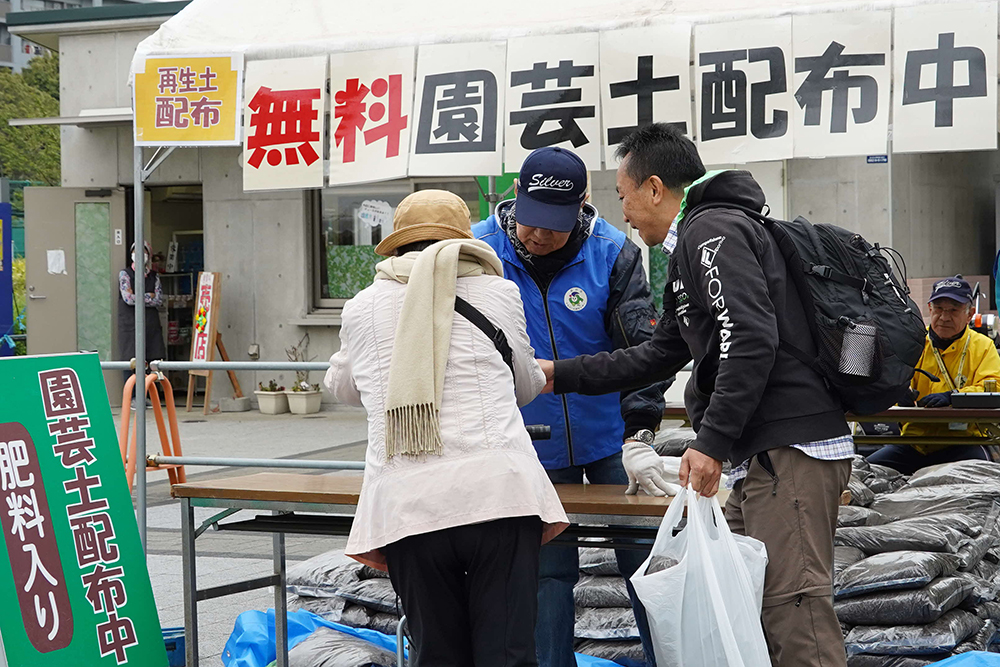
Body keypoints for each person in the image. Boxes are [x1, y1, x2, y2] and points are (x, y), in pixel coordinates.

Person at [538, 123, 853, 667]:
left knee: (791, 611)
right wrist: (556, 374)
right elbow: (660, 351)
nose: (625, 213)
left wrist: (709, 442)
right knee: (737, 601)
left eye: (624, 196)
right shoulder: (692, 245)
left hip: (790, 446)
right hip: (759, 453)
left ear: (655, 188)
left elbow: (749, 339)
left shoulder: (713, 234)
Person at [324, 189, 568, 667]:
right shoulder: (499, 292)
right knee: (507, 652)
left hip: (409, 505)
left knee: (436, 652)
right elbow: (524, 384)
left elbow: (344, 388)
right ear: (464, 243)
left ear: (396, 245)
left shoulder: (361, 306)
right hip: (499, 497)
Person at [473, 146, 668, 667]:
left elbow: (642, 352)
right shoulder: (478, 252)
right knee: (546, 574)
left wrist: (640, 434)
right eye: (532, 221)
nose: (539, 236)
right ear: (516, 196)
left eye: (554, 227)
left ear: (582, 205)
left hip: (609, 440)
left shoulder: (613, 253)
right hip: (526, 445)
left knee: (645, 565)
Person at [867, 275, 1000, 474]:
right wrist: (896, 392)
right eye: (939, 309)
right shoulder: (914, 342)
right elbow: (883, 379)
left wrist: (952, 397)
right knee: (864, 472)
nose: (944, 317)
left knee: (981, 480)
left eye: (953, 310)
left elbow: (993, 385)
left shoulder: (982, 346)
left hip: (964, 441)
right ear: (929, 309)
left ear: (970, 314)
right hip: (915, 442)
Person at [119, 241, 165, 400]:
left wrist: (138, 295)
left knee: (153, 359)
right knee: (131, 359)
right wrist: (148, 295)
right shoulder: (125, 274)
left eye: (143, 251)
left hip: (150, 324)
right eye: (135, 251)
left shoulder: (154, 276)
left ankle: (150, 396)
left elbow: (158, 300)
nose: (139, 255)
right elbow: (128, 299)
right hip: (130, 324)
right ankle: (131, 397)